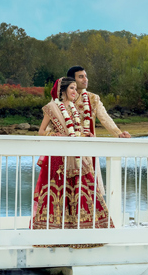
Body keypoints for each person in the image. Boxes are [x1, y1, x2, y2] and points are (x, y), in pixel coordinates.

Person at [31, 77, 113, 248]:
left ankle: (87, 233)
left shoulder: (75, 108)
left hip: (77, 156)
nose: (75, 92)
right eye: (72, 89)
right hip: (58, 158)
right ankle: (53, 236)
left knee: (86, 188)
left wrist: (86, 135)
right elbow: (40, 132)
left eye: (76, 89)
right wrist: (56, 136)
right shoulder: (51, 108)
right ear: (63, 91)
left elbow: (76, 131)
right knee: (58, 194)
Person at [66, 66, 132, 138]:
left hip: (88, 141)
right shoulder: (62, 98)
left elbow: (105, 118)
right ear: (72, 80)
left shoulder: (93, 98)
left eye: (86, 76)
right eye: (81, 77)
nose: (85, 79)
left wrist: (119, 134)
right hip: (66, 141)